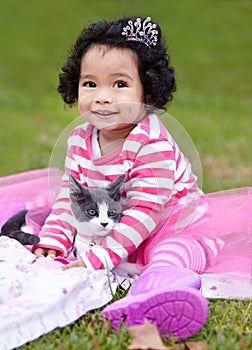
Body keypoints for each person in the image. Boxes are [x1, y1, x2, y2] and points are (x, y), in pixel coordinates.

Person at [32, 16, 224, 340]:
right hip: (118, 227)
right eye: (90, 84)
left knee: (171, 250)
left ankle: (159, 291)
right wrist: (55, 239)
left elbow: (144, 214)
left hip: (171, 222)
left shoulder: (152, 143)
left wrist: (99, 259)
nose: (102, 97)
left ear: (147, 90)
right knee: (55, 229)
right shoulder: (81, 138)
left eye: (119, 84)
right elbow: (69, 195)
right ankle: (146, 282)